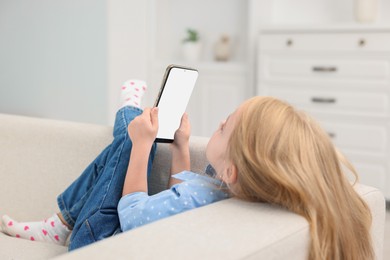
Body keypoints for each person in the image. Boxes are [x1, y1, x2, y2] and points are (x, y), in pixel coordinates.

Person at [1, 81, 373, 259]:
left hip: (98, 238)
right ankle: (128, 119)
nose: (221, 122)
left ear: (233, 172)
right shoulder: (231, 190)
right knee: (130, 143)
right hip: (124, 232)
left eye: (226, 127)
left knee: (131, 142)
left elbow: (132, 216)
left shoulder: (211, 193)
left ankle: (63, 222)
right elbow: (176, 196)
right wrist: (180, 146)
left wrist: (144, 145)